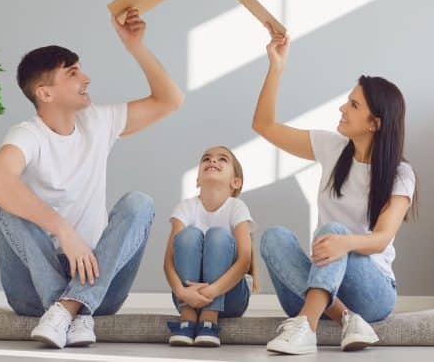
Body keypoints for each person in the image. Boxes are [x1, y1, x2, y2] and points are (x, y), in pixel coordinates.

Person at [0, 9, 184, 349]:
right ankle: (73, 309)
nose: (86, 78)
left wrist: (135, 46)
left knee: (140, 203)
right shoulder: (28, 134)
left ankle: (68, 309)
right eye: (73, 73)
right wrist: (63, 229)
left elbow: (170, 100)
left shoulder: (98, 121)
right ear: (45, 93)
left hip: (97, 280)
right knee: (3, 204)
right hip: (31, 288)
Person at [252, 29, 416, 355]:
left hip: (372, 291)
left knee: (332, 232)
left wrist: (344, 242)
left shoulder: (400, 174)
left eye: (354, 105)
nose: (343, 108)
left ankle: (305, 326)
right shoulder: (332, 147)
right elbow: (264, 126)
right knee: (273, 237)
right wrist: (276, 67)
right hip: (322, 280)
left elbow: (381, 238)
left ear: (375, 123)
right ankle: (342, 319)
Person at [163, 146, 258, 347]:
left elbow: (244, 261)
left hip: (230, 296)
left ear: (236, 182)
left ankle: (209, 318)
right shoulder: (185, 207)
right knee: (188, 235)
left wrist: (212, 292)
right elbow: (168, 263)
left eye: (222, 159)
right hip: (186, 297)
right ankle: (188, 318)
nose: (212, 161)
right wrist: (182, 293)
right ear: (198, 179)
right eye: (206, 158)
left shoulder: (237, 208)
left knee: (217, 235)